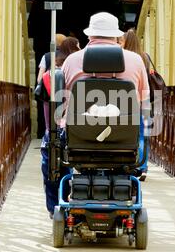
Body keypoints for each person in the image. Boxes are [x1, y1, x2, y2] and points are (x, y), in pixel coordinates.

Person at [61, 12, 150, 179]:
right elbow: (144, 101)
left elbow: (61, 101)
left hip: (79, 139)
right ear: (116, 36)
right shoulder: (136, 60)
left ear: (89, 34)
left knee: (49, 147)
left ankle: (55, 199)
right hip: (124, 140)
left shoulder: (72, 60)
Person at [40, 36, 80, 219]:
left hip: (60, 127)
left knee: (51, 160)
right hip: (89, 128)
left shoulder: (59, 71)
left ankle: (53, 207)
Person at [119, 28, 151, 180]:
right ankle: (143, 167)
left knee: (126, 134)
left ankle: (127, 163)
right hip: (140, 100)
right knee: (142, 135)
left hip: (123, 101)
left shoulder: (121, 57)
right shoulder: (144, 57)